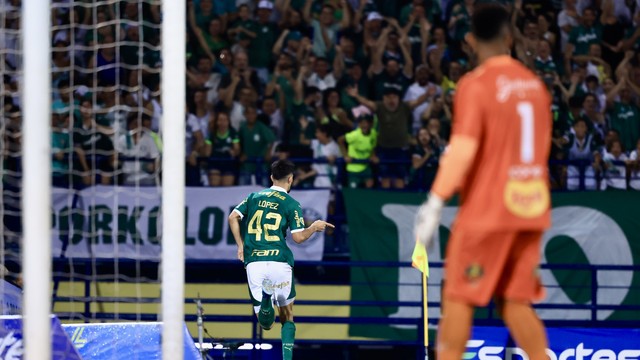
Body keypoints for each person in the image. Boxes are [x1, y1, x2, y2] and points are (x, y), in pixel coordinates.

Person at [414, 5, 552, 360]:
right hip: (530, 207)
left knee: (459, 296)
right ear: (510, 37)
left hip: (488, 210)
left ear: (471, 41)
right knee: (513, 302)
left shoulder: (475, 85)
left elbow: (462, 147)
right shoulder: (536, 88)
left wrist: (435, 201)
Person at [228, 160, 334, 360]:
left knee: (265, 323)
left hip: (255, 262)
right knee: (287, 316)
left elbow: (233, 217)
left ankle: (267, 298)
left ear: (271, 178)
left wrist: (240, 246)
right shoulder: (291, 203)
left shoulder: (253, 197)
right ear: (291, 179)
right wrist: (314, 227)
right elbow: (298, 238)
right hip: (279, 260)